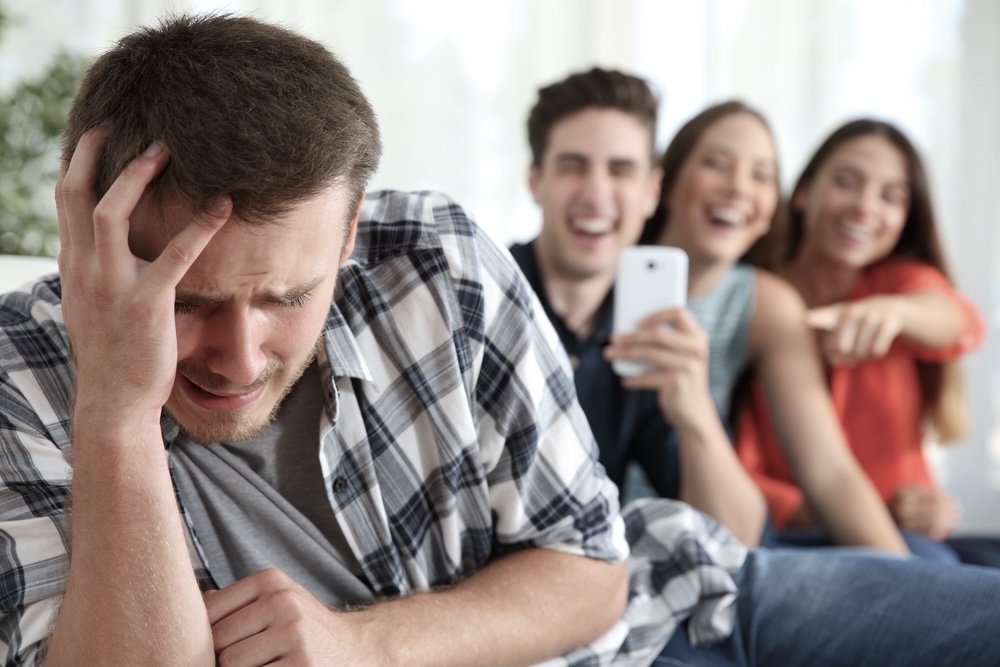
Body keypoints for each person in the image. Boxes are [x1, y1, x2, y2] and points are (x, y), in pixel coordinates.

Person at [4, 20, 1000, 667]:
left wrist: (362, 644)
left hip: (693, 597)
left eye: (286, 296)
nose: (234, 353)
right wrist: (119, 410)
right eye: (185, 301)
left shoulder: (432, 257)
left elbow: (592, 567)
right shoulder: (22, 378)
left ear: (348, 237)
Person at [514, 70, 907, 555]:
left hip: (646, 559)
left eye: (621, 169)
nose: (597, 193)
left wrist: (695, 413)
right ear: (536, 181)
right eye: (574, 166)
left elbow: (741, 543)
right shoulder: (486, 293)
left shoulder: (644, 328)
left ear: (650, 190)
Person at [734, 118, 1000, 566]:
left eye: (891, 196)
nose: (864, 208)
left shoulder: (899, 283)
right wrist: (864, 513)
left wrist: (897, 312)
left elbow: (958, 321)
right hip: (788, 540)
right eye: (846, 183)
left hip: (904, 539)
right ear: (803, 193)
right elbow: (738, 472)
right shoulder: (753, 299)